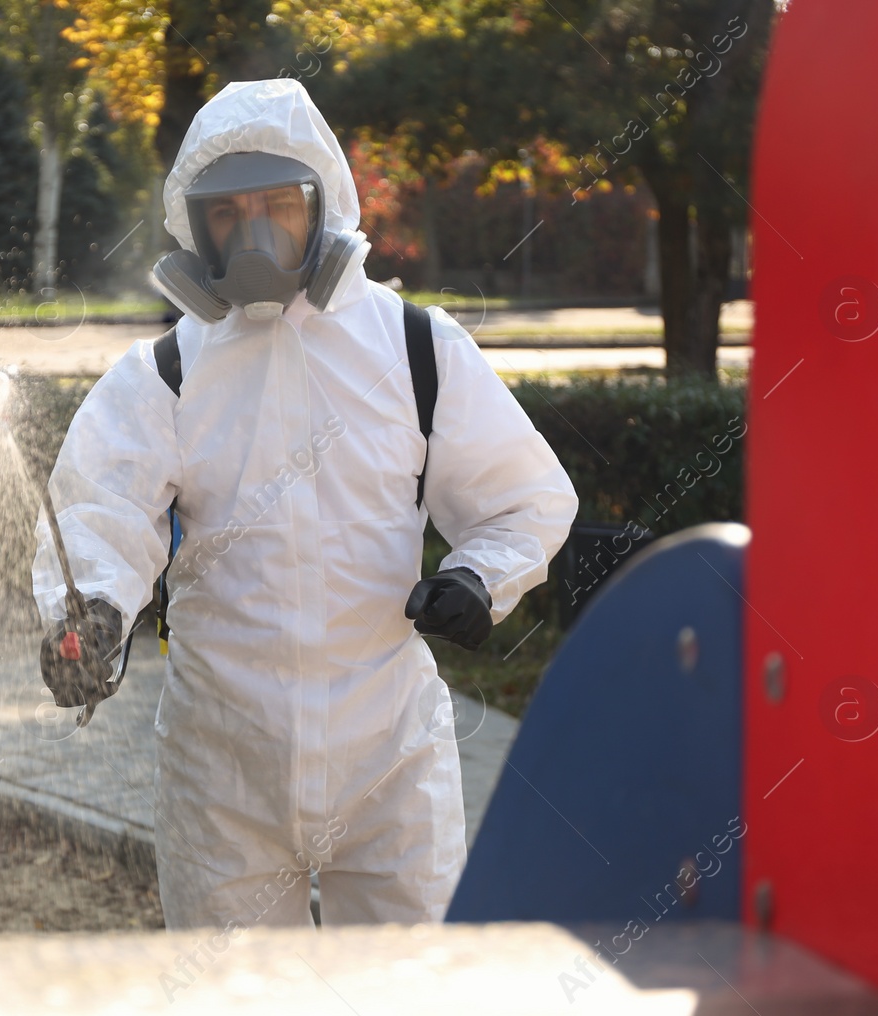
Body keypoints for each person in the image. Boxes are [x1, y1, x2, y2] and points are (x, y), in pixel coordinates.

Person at [33, 78, 578, 931]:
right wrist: (90, 611)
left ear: (321, 204)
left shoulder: (415, 348)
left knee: (404, 994)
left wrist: (478, 577)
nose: (254, 232)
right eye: (228, 212)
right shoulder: (166, 375)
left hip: (389, 760)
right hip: (224, 770)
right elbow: (100, 512)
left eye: (277, 204)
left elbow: (524, 497)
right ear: (196, 223)